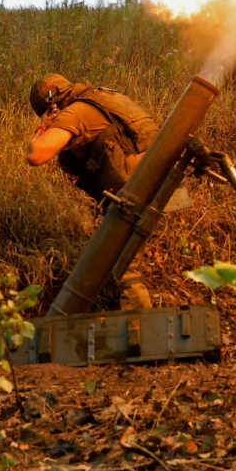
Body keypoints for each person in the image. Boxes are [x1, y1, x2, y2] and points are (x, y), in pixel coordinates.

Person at [26, 73, 158, 309]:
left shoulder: (75, 112)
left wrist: (44, 127)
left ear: (51, 106)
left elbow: (37, 155)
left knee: (123, 265)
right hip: (149, 178)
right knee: (119, 261)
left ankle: (142, 332)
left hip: (133, 189)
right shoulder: (98, 98)